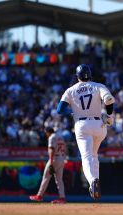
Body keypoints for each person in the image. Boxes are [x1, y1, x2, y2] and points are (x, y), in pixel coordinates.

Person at [56, 64, 115, 200]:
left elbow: (60, 110)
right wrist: (110, 116)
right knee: (94, 155)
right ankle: (96, 181)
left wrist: (72, 112)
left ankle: (93, 181)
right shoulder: (98, 86)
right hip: (99, 125)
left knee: (87, 157)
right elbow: (109, 100)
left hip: (82, 125)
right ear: (90, 75)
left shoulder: (70, 90)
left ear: (77, 77)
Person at [29, 127, 66, 204]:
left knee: (46, 177)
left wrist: (51, 163)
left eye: (46, 133)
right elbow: (65, 149)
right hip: (62, 158)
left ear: (48, 132)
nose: (46, 134)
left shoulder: (52, 137)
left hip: (55, 158)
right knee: (59, 180)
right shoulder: (60, 137)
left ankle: (39, 195)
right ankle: (62, 198)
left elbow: (51, 149)